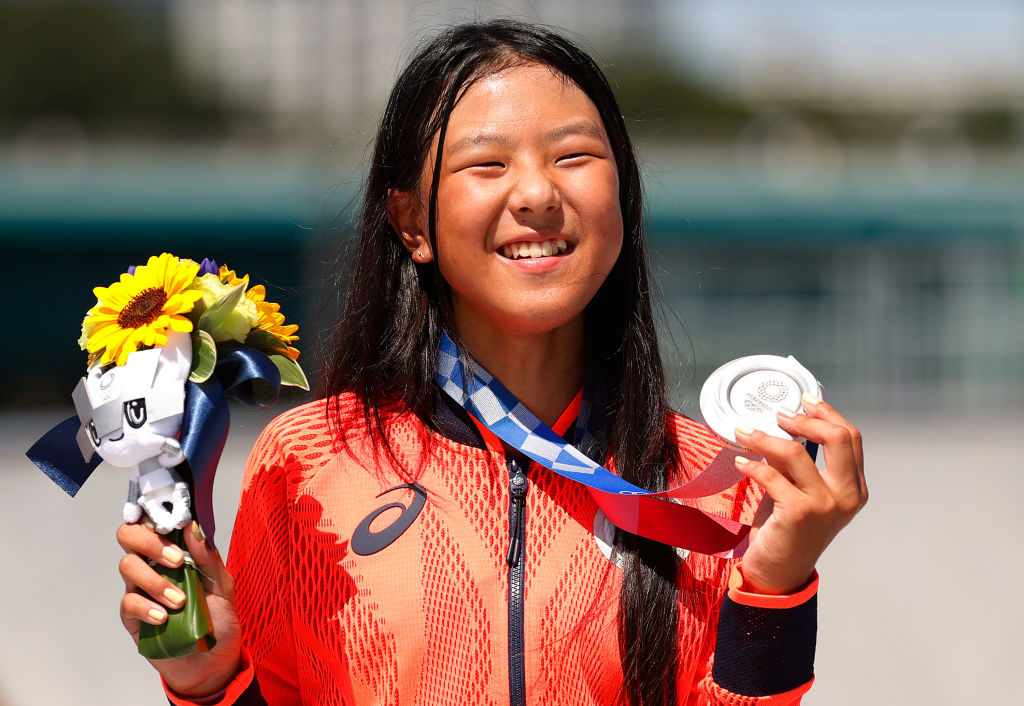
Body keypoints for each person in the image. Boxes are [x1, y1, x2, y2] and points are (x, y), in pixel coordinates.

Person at [116, 19, 866, 706]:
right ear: (413, 222)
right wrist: (210, 679)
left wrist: (774, 585)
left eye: (574, 156)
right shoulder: (307, 461)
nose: (537, 193)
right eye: (487, 165)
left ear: (623, 197)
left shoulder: (709, 482)